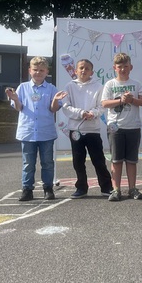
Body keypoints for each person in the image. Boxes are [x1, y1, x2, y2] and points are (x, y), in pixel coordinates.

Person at [5, 56, 64, 202]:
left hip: (46, 132)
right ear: (30, 71)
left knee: (47, 162)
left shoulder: (51, 89)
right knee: (28, 163)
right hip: (28, 131)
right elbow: (19, 108)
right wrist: (15, 99)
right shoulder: (23, 87)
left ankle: (48, 188)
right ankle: (27, 189)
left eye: (42, 70)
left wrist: (55, 100)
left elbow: (53, 109)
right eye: (35, 70)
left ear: (47, 72)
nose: (38, 73)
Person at [59, 58, 113, 199]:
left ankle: (106, 187)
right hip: (75, 130)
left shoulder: (98, 87)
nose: (84, 70)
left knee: (98, 160)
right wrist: (81, 113)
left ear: (92, 72)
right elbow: (66, 107)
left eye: (87, 68)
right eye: (81, 68)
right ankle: (81, 188)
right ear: (75, 71)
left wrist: (93, 113)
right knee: (78, 161)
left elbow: (101, 106)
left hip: (92, 130)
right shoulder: (69, 86)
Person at [101, 52, 142, 201]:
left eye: (125, 66)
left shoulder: (136, 84)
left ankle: (132, 188)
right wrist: (121, 100)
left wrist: (132, 100)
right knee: (116, 160)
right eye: (120, 66)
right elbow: (104, 103)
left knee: (132, 160)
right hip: (115, 127)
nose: (123, 69)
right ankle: (116, 190)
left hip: (133, 126)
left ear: (131, 67)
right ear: (114, 68)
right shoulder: (110, 84)